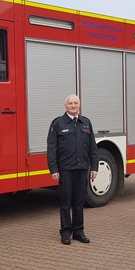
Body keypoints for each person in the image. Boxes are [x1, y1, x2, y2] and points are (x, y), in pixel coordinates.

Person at [47, 94, 98, 245]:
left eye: (76, 103)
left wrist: (94, 167)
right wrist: (54, 169)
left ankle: (78, 231)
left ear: (79, 105)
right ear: (66, 106)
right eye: (70, 103)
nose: (73, 105)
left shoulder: (86, 123)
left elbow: (93, 148)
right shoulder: (58, 123)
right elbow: (52, 148)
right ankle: (65, 232)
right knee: (66, 201)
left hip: (82, 168)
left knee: (79, 201)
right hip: (65, 169)